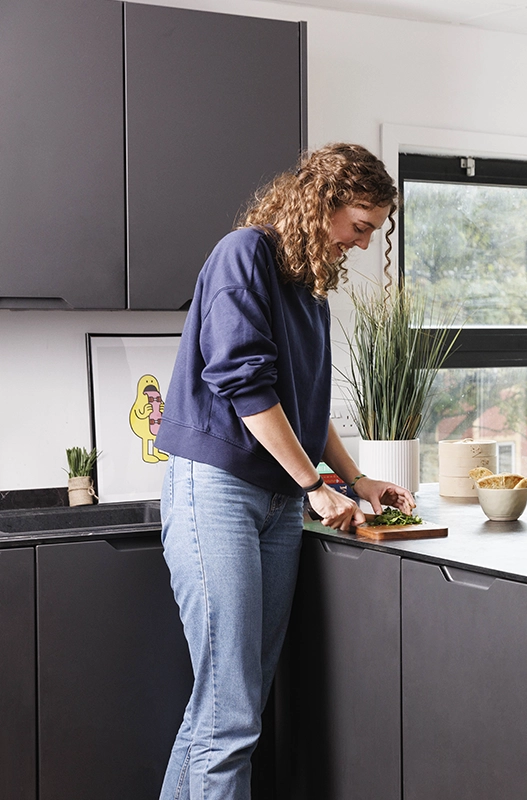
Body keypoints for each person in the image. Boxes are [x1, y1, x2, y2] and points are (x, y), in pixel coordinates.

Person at [154, 143, 415, 800]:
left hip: (276, 504)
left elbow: (303, 406)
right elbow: (247, 389)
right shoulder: (243, 256)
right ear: (323, 202)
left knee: (226, 708)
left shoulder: (308, 289)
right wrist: (313, 487)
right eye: (360, 225)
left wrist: (355, 479)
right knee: (231, 715)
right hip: (218, 490)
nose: (361, 243)